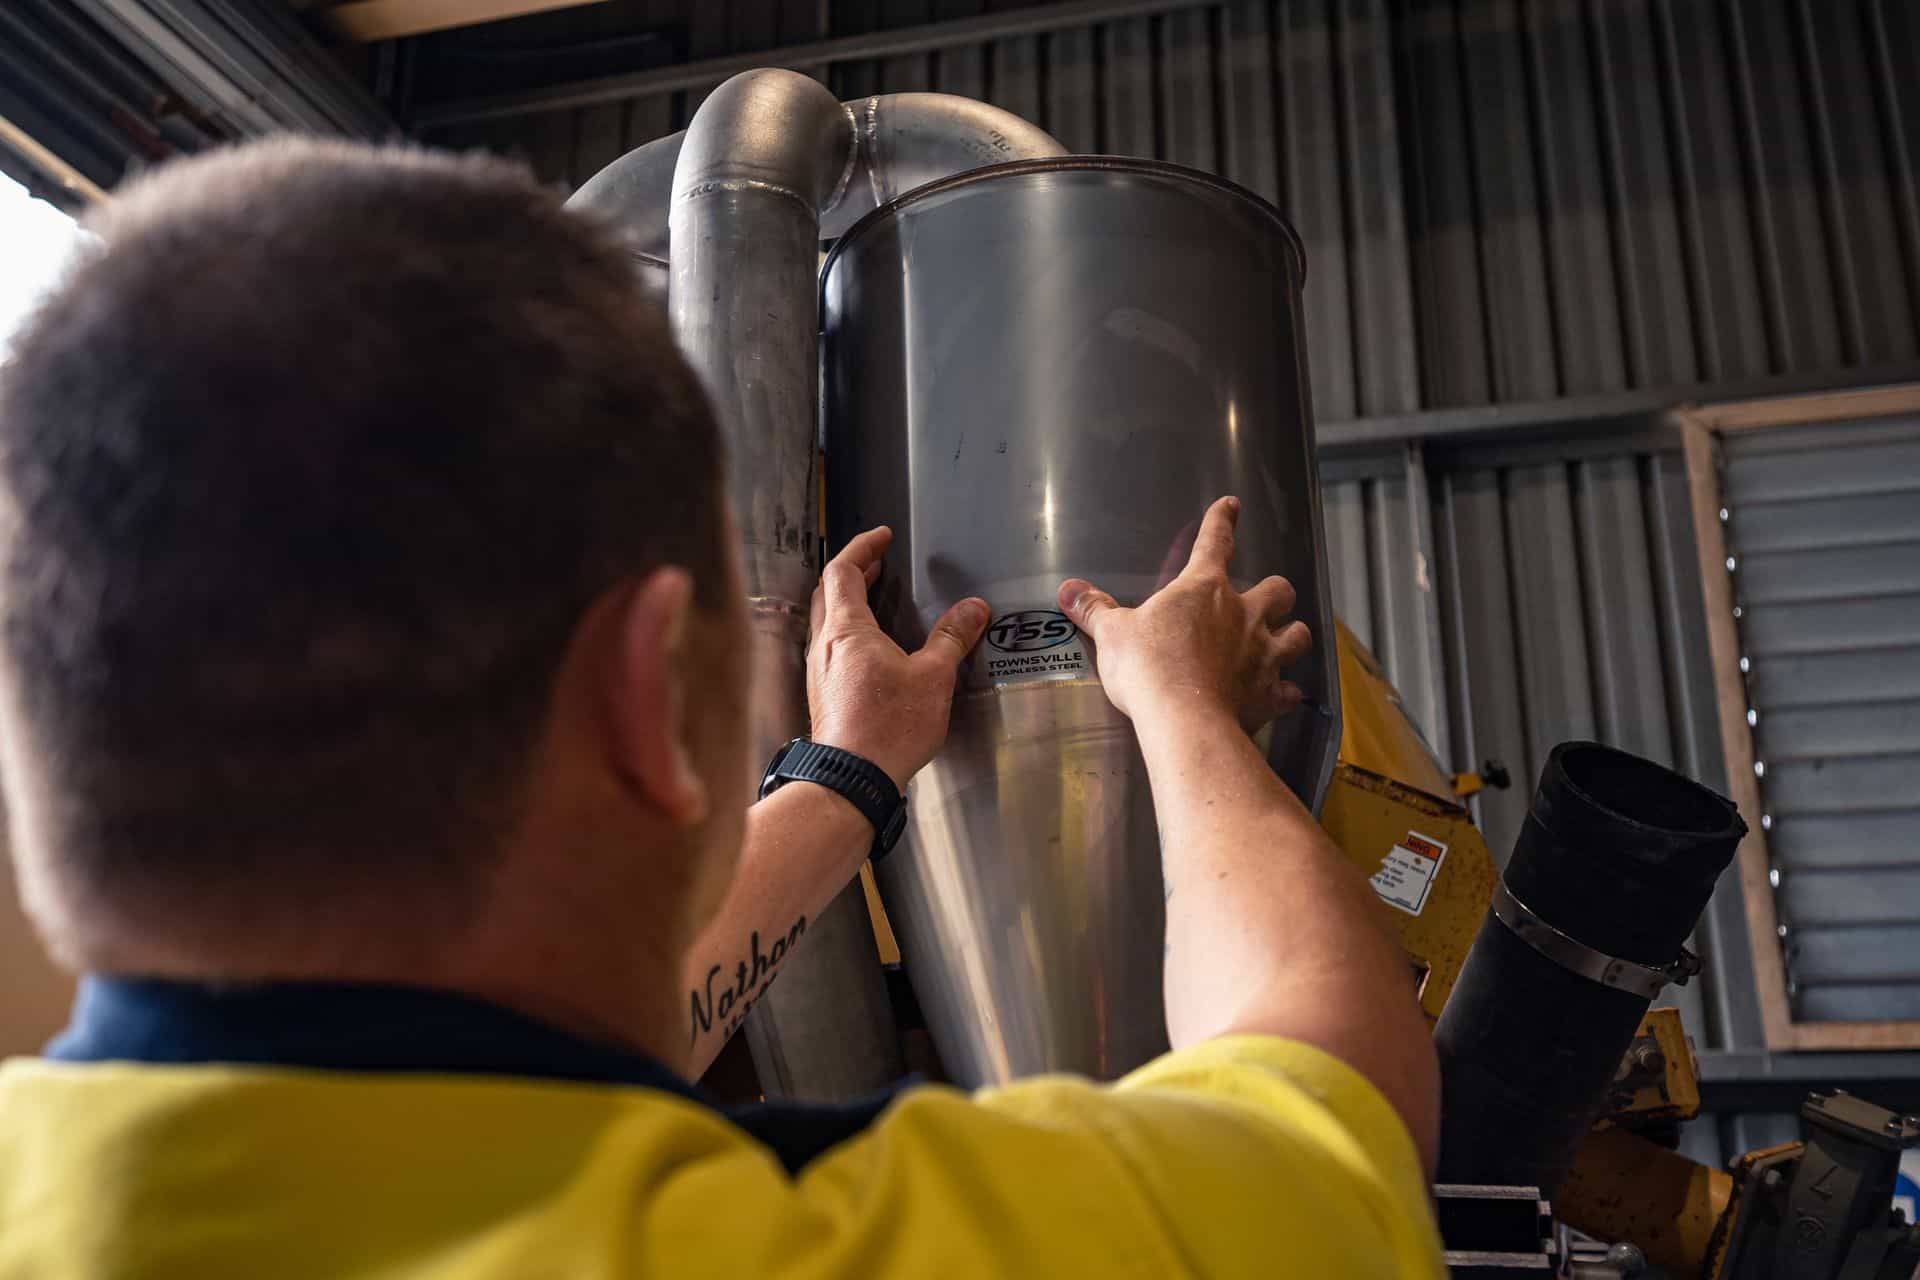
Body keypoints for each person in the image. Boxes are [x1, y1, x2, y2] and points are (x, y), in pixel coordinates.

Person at [0, 139, 1442, 1278]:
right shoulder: (949, 1246)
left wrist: (847, 774)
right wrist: (1181, 711)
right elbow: (1350, 1105)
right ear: (643, 694)